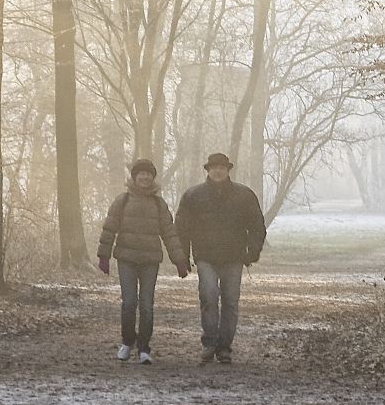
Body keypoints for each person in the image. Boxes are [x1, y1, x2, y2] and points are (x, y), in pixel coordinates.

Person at [175, 151, 266, 365]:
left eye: (222, 167)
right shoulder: (193, 195)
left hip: (234, 257)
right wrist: (183, 256)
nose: (218, 171)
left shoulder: (244, 195)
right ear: (207, 170)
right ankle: (209, 342)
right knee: (208, 295)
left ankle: (224, 346)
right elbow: (181, 228)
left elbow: (256, 226)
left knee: (230, 301)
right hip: (205, 256)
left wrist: (252, 252)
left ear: (228, 170)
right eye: (214, 167)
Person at [97, 158, 187, 364]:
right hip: (126, 259)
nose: (145, 177)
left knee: (147, 305)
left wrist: (179, 260)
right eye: (141, 174)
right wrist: (104, 255)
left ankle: (144, 348)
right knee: (129, 303)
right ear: (134, 177)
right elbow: (109, 228)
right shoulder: (122, 201)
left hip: (149, 260)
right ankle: (127, 343)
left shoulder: (159, 204)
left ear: (152, 178)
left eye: (148, 174)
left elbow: (169, 233)